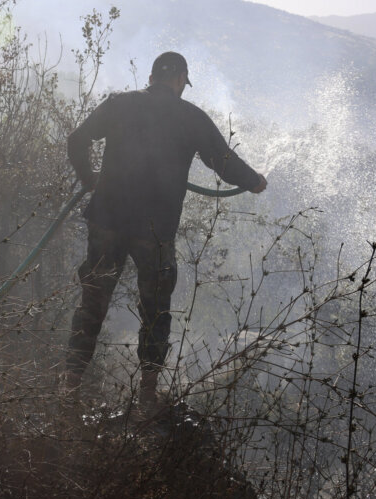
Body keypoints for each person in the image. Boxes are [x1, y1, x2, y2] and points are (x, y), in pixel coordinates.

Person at [64, 51, 268, 406]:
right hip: (154, 232)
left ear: (152, 77)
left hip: (107, 220)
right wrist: (254, 182)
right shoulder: (191, 118)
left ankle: (68, 389)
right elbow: (224, 162)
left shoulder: (120, 104)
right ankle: (146, 396)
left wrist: (89, 177)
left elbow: (76, 140)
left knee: (92, 302)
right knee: (155, 310)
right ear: (179, 80)